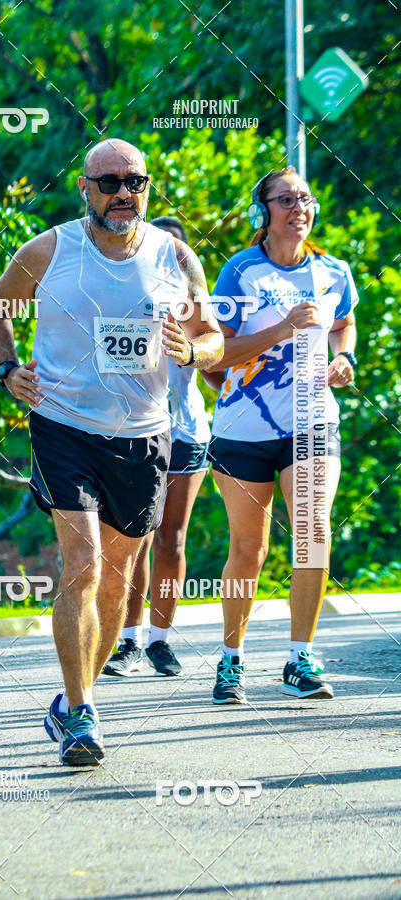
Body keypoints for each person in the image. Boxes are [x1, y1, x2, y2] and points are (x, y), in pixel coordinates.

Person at [0, 139, 224, 765]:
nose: (123, 193)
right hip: (63, 426)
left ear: (146, 187)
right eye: (110, 182)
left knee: (117, 580)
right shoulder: (49, 250)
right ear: (84, 188)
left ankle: (70, 701)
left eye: (134, 181)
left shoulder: (175, 255)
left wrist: (193, 351)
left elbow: (214, 337)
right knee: (84, 564)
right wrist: (8, 369)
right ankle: (83, 713)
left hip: (144, 435)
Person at [206, 165, 358, 704]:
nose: (299, 208)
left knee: (313, 533)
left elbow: (342, 323)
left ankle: (300, 658)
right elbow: (215, 355)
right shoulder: (240, 271)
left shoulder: (334, 270)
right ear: (262, 211)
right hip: (243, 426)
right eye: (286, 199)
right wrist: (282, 328)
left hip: (313, 420)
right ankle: (231, 660)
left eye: (305, 198)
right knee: (249, 549)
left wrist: (345, 358)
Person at [102, 217, 211, 677]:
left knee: (172, 539)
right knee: (136, 539)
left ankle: (160, 641)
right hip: (135, 430)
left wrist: (193, 346)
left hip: (186, 430)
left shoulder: (196, 303)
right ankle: (128, 641)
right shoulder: (124, 293)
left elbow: (215, 364)